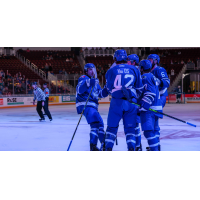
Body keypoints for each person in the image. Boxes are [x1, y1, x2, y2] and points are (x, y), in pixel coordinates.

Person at [104, 49, 143, 151]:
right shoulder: (134, 69)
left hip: (116, 103)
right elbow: (140, 89)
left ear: (115, 58)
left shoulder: (111, 70)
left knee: (111, 128)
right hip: (131, 103)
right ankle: (131, 148)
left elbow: (108, 89)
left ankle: (108, 148)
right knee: (130, 129)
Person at [76, 63, 109, 151]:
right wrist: (88, 83)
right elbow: (79, 90)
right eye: (90, 69)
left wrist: (106, 90)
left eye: (93, 69)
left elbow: (99, 94)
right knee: (95, 123)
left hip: (92, 106)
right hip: (85, 104)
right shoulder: (83, 78)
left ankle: (104, 143)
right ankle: (93, 145)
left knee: (100, 124)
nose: (92, 71)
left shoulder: (95, 82)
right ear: (86, 71)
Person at [138, 60, 163, 151]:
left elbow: (150, 93)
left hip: (149, 109)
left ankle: (154, 150)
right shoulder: (153, 76)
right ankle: (156, 147)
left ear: (142, 68)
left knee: (148, 132)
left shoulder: (145, 77)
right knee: (155, 130)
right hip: (157, 107)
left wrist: (144, 106)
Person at [148, 54, 170, 149]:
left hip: (160, 97)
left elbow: (167, 82)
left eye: (151, 60)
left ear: (156, 61)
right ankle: (156, 143)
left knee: (153, 119)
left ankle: (155, 144)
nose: (149, 61)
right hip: (154, 97)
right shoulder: (149, 70)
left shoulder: (159, 70)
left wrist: (158, 82)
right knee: (153, 121)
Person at [127, 54, 142, 151]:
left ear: (133, 62)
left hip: (135, 102)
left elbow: (139, 88)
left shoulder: (136, 71)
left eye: (129, 60)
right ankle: (137, 145)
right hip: (133, 102)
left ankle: (137, 145)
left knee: (135, 125)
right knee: (134, 125)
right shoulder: (135, 70)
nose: (127, 62)